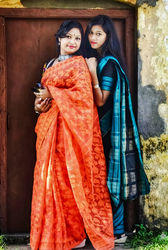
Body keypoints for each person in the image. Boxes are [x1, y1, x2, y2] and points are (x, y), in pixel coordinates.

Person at [30, 20, 114, 250]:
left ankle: (74, 237)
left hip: (70, 133)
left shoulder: (79, 65)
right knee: (47, 181)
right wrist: (39, 104)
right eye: (68, 37)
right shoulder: (49, 63)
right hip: (48, 130)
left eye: (77, 38)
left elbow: (85, 100)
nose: (73, 42)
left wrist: (52, 92)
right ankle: (50, 235)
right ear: (59, 38)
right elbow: (42, 103)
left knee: (69, 183)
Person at [84, 15, 150, 242]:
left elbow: (101, 100)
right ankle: (110, 229)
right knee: (105, 178)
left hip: (107, 131)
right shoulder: (101, 59)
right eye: (91, 33)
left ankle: (119, 230)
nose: (93, 37)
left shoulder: (108, 64)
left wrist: (92, 72)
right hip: (100, 130)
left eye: (98, 34)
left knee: (111, 179)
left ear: (107, 36)